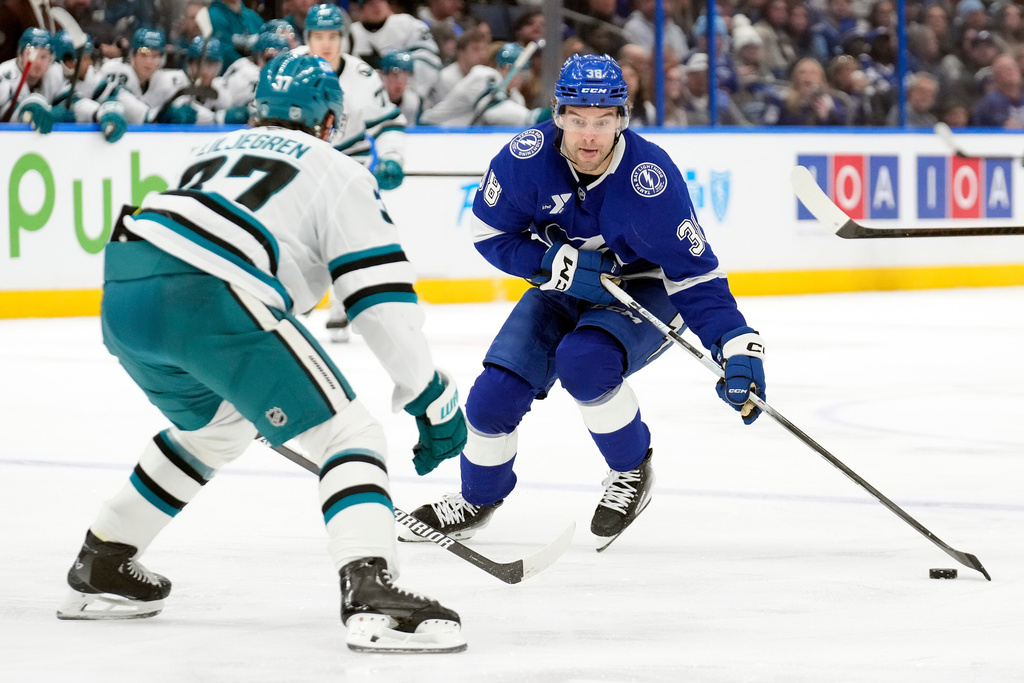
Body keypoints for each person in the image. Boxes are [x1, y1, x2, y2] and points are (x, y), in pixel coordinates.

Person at [55, 52, 469, 655]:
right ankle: (370, 589)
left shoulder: (211, 149)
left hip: (125, 287)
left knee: (217, 431)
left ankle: (105, 558)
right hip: (213, 290)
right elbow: (379, 299)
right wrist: (427, 393)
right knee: (348, 433)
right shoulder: (338, 168)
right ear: (331, 121)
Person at [401, 54, 766, 550]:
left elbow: (694, 273)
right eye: (577, 120)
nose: (588, 135)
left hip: (642, 288)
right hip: (561, 284)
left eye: (601, 121)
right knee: (491, 399)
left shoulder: (651, 178)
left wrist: (736, 342)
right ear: (557, 116)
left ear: (622, 119)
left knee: (585, 361)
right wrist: (553, 265)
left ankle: (631, 471)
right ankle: (477, 498)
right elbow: (489, 231)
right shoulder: (525, 159)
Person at [301, 3, 409, 343]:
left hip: (349, 164)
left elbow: (389, 123)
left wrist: (392, 156)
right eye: (319, 36)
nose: (326, 43)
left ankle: (340, 303)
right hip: (302, 162)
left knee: (343, 235)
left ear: (343, 37)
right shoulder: (291, 69)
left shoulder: (362, 77)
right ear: (308, 38)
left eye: (333, 35)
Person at [418, 41, 551, 127]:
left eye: (522, 74)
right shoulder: (483, 76)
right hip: (429, 132)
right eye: (512, 70)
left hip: (460, 140)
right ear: (501, 67)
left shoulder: (516, 98)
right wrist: (538, 116)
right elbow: (494, 112)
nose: (517, 78)